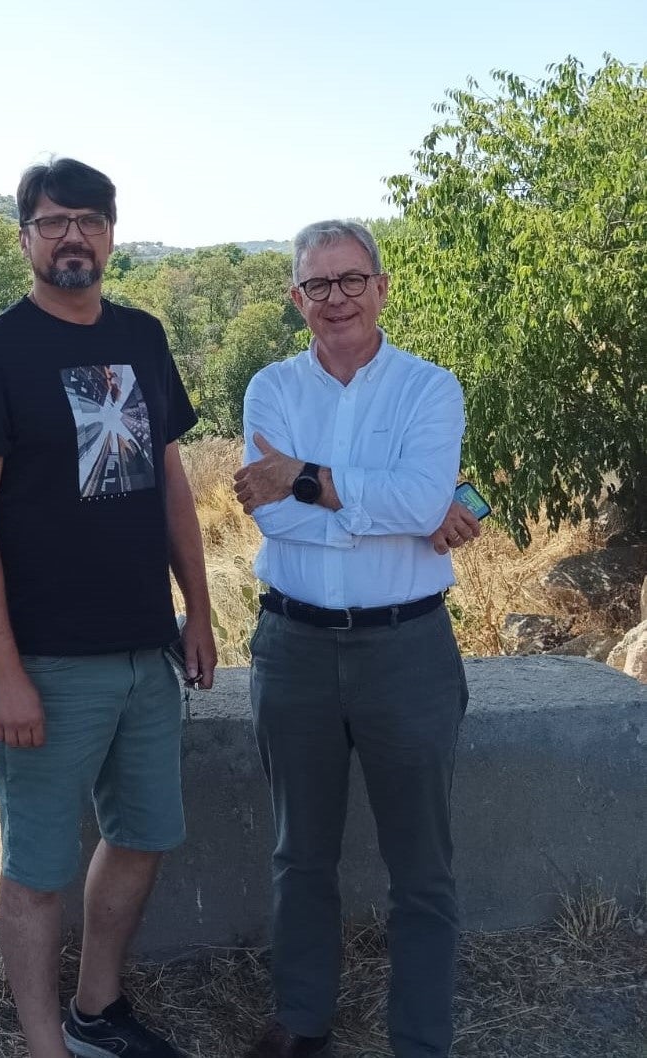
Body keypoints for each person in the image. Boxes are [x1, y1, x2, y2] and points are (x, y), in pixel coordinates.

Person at [0, 157, 216, 1058]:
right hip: (48, 661)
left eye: (90, 221)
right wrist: (5, 670)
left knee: (142, 838)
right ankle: (42, 1045)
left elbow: (170, 482)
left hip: (146, 647)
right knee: (37, 869)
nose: (74, 237)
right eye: (54, 221)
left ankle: (97, 1011)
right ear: (25, 236)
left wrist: (199, 613)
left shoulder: (142, 335)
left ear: (110, 234)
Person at [233, 220, 480, 1058]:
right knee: (299, 853)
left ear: (380, 286)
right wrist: (390, 512)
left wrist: (308, 482)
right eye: (317, 285)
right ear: (296, 298)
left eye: (350, 280)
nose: (335, 298)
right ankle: (302, 1022)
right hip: (293, 648)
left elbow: (418, 505)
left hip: (406, 650)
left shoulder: (429, 389)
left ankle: (421, 1040)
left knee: (424, 869)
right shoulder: (270, 388)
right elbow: (263, 512)